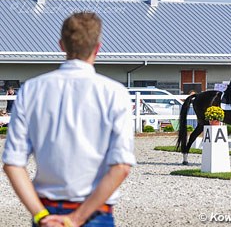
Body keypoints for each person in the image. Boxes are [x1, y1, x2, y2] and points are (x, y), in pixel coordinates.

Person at [2, 12, 136, 227]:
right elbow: (121, 167)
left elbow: (13, 164)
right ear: (98, 47)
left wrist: (41, 216)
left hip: (47, 212)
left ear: (61, 45)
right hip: (95, 213)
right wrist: (76, 219)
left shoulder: (32, 90)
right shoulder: (114, 93)